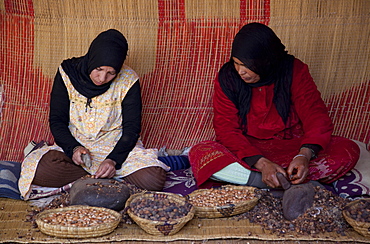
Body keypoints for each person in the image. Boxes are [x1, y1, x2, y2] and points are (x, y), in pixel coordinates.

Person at [189, 23, 360, 189]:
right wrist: (262, 163)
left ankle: (277, 178)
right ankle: (276, 180)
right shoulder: (228, 78)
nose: (240, 71)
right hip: (247, 150)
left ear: (266, 60)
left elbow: (315, 116)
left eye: (247, 65)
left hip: (292, 145)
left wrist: (304, 156)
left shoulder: (294, 70)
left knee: (348, 150)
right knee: (200, 153)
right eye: (236, 63)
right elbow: (226, 129)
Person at [19, 29, 169, 199]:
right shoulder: (67, 73)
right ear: (92, 58)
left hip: (115, 147)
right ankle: (104, 181)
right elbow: (57, 120)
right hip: (77, 149)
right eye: (99, 69)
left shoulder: (128, 80)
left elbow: (132, 128)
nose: (102, 77)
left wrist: (113, 160)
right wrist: (73, 148)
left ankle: (97, 178)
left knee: (153, 179)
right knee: (43, 169)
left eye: (111, 72)